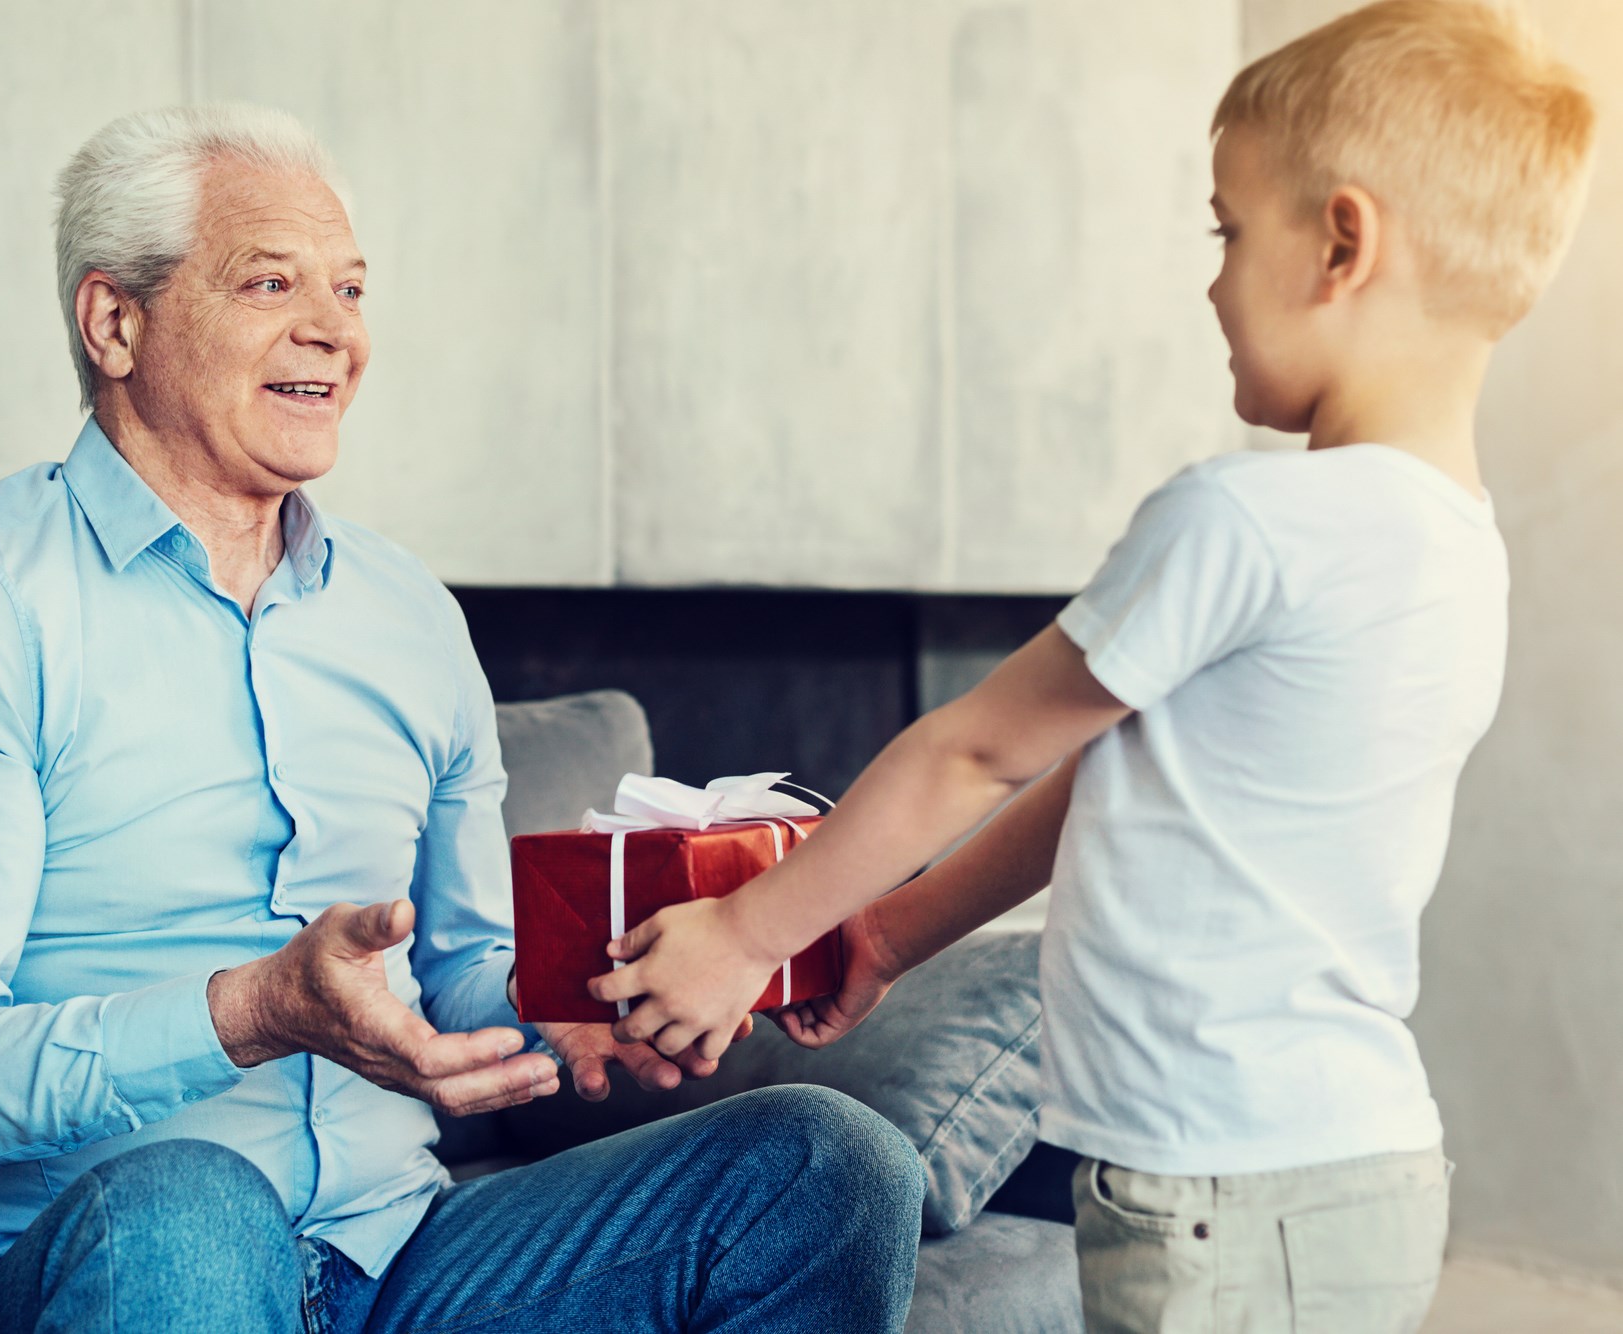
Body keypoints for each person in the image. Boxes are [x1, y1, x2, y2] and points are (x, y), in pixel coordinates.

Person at [0, 105, 923, 1333]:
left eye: (350, 288)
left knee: (827, 1165)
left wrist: (558, 1003)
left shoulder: (406, 613)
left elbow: (457, 972)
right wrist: (248, 1011)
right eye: (270, 281)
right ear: (114, 321)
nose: (333, 331)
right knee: (192, 1206)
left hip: (396, 1252)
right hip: (96, 1263)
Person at [591, 3, 1596, 1330]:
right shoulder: (1453, 545)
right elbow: (1118, 776)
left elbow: (975, 746)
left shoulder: (1244, 518)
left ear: (1339, 243)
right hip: (1339, 1166)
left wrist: (740, 931)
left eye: (1227, 230)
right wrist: (887, 930)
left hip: (1221, 1191)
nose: (1210, 280)